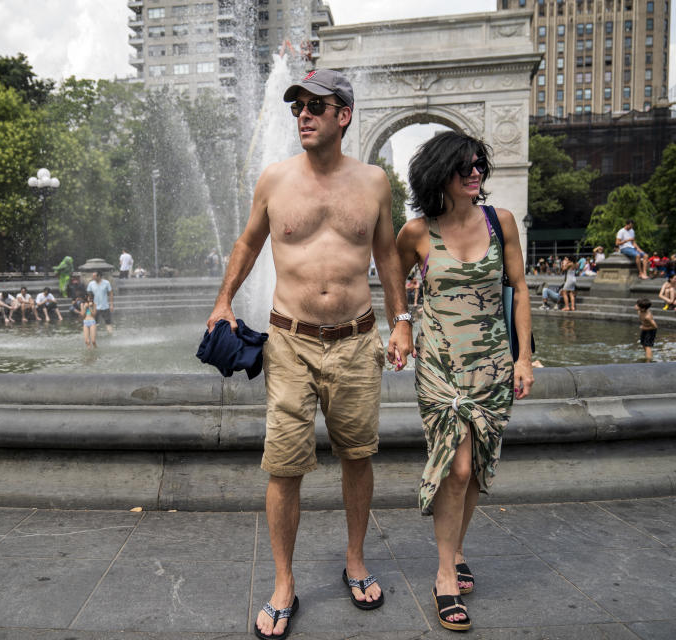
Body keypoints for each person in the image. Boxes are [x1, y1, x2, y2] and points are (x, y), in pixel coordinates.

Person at [205, 69, 410, 640]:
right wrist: (223, 301)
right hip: (290, 342)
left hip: (355, 339)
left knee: (357, 455)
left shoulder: (373, 183)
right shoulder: (274, 179)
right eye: (298, 107)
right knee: (284, 465)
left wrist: (403, 324)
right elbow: (248, 242)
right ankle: (283, 581)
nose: (303, 115)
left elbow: (388, 255)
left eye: (316, 106)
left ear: (343, 115)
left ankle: (355, 559)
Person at [397, 130, 534, 632]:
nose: (475, 172)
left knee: (475, 468)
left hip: (493, 365)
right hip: (440, 367)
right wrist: (402, 323)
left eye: (479, 164)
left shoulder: (502, 224)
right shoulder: (416, 233)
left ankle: (454, 550)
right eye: (464, 166)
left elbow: (519, 289)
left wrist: (524, 358)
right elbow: (393, 276)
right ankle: (444, 576)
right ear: (440, 175)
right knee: (455, 467)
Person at [636, 298, 657, 362]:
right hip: (644, 329)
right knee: (643, 343)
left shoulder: (647, 317)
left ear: (643, 308)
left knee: (648, 345)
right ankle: (648, 355)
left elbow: (655, 326)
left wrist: (645, 328)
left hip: (651, 330)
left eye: (637, 305)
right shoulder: (639, 311)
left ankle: (648, 361)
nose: (635, 306)